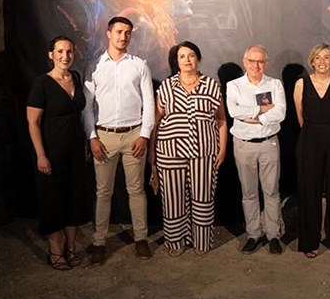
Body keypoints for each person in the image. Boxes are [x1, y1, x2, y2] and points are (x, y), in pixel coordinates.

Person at [82, 16, 155, 264]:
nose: (123, 37)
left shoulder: (139, 65)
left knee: (136, 190)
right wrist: (92, 137)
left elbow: (149, 104)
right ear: (109, 33)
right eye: (119, 32)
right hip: (104, 137)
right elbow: (86, 107)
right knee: (103, 192)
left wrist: (144, 135)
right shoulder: (95, 66)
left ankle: (141, 238)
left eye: (128, 33)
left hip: (134, 135)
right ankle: (99, 242)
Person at [148, 41, 227, 256]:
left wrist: (222, 149)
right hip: (170, 152)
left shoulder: (211, 85)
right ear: (176, 61)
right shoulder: (166, 86)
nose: (187, 60)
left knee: (203, 198)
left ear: (198, 58)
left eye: (191, 55)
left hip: (204, 152)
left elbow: (221, 120)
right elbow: (155, 121)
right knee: (173, 199)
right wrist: (152, 153)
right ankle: (175, 242)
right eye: (182, 56)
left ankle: (201, 241)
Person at [26, 36, 90, 270]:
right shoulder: (41, 83)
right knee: (53, 200)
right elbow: (33, 123)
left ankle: (70, 248)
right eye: (60, 51)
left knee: (74, 198)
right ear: (51, 54)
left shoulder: (76, 77)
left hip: (75, 151)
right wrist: (41, 155)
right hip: (51, 152)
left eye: (69, 51)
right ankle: (54, 250)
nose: (65, 56)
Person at [293, 44, 330, 260]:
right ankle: (310, 241)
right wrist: (313, 133)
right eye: (317, 57)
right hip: (309, 140)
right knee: (309, 191)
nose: (322, 61)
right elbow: (300, 116)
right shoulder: (301, 83)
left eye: (326, 57)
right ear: (312, 61)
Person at [225, 46, 286, 254]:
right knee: (249, 192)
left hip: (269, 143)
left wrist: (252, 117)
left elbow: (280, 112)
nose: (256, 65)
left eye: (260, 61)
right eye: (252, 61)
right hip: (243, 145)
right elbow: (234, 111)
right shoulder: (234, 85)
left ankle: (273, 234)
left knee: (271, 191)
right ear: (245, 61)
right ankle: (253, 234)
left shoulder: (274, 84)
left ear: (266, 63)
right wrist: (262, 110)